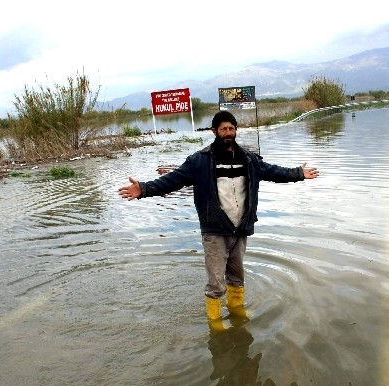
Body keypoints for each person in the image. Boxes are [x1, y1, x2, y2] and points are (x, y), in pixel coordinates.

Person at [118, 110, 319, 330]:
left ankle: (236, 310)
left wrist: (298, 174)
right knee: (215, 282)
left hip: (239, 227)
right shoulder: (199, 161)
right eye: (223, 129)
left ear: (236, 131)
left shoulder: (249, 159)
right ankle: (215, 323)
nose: (228, 133)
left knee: (237, 276)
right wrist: (144, 189)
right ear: (214, 131)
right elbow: (172, 181)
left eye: (231, 128)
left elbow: (273, 171)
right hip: (214, 229)